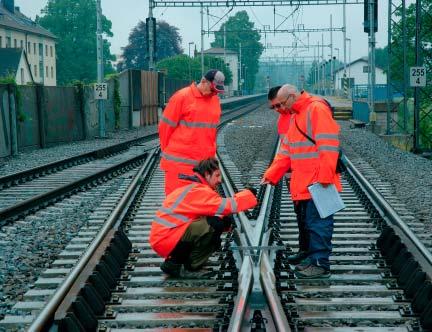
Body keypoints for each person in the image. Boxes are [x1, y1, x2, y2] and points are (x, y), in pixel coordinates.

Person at [261, 84, 342, 279]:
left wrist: (324, 177)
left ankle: (320, 264)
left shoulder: (316, 109)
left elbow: (329, 144)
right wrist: (271, 174)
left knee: (319, 224)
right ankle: (312, 259)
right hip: (306, 181)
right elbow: (286, 152)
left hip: (319, 182)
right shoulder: (297, 116)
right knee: (310, 223)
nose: (280, 109)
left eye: (281, 104)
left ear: (291, 96)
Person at [149, 158, 257, 278]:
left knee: (217, 223)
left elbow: (208, 211)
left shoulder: (193, 187)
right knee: (214, 225)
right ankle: (185, 266)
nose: (220, 180)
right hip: (167, 238)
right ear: (207, 174)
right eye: (217, 175)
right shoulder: (199, 190)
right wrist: (248, 194)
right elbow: (228, 206)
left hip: (166, 236)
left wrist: (225, 223)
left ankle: (179, 262)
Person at [158, 69, 225, 196]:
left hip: (204, 166)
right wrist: (169, 152)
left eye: (217, 91)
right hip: (180, 166)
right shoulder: (181, 97)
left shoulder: (214, 100)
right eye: (213, 89)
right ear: (204, 81)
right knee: (178, 205)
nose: (214, 93)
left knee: (200, 207)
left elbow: (210, 133)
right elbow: (165, 128)